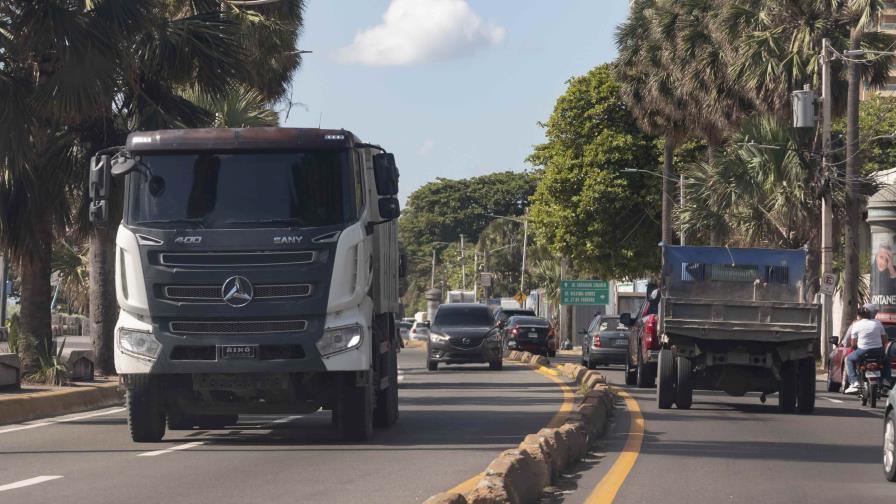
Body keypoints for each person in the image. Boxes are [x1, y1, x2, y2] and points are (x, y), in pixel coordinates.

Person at [844, 304, 891, 394]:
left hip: (863, 353)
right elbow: (885, 340)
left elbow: (853, 344)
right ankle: (885, 381)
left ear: (859, 315)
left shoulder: (856, 325)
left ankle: (854, 382)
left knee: (849, 359)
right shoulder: (878, 323)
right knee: (887, 360)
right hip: (878, 352)